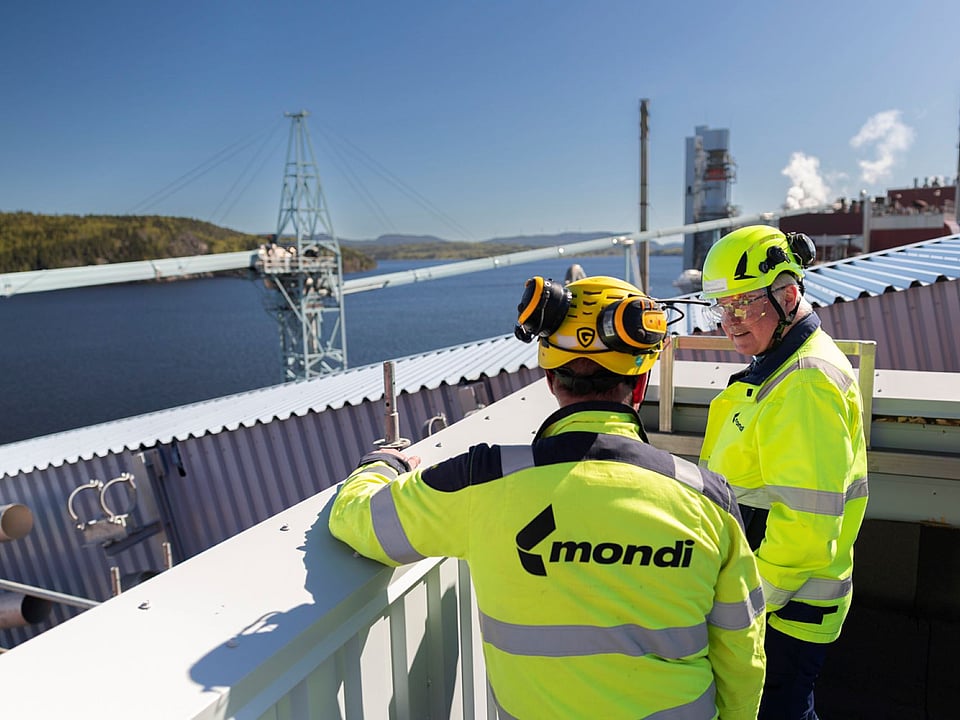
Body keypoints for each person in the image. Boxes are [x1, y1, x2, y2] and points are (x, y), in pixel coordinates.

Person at [330, 275, 766, 719]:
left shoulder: (482, 481)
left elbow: (358, 520)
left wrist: (381, 466)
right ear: (639, 383)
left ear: (551, 379)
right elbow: (743, 656)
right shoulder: (710, 501)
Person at [698, 225, 869, 720]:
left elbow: (807, 531)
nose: (729, 322)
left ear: (788, 294)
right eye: (721, 308)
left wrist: (743, 608)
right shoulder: (779, 365)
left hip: (781, 609)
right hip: (776, 599)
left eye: (742, 304)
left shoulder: (805, 383)